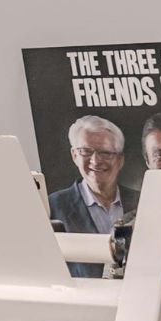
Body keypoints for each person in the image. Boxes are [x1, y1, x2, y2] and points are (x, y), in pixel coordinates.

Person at [49, 115, 134, 278]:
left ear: (120, 160)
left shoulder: (144, 200)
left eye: (105, 153)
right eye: (86, 151)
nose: (95, 161)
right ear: (74, 155)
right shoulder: (53, 207)